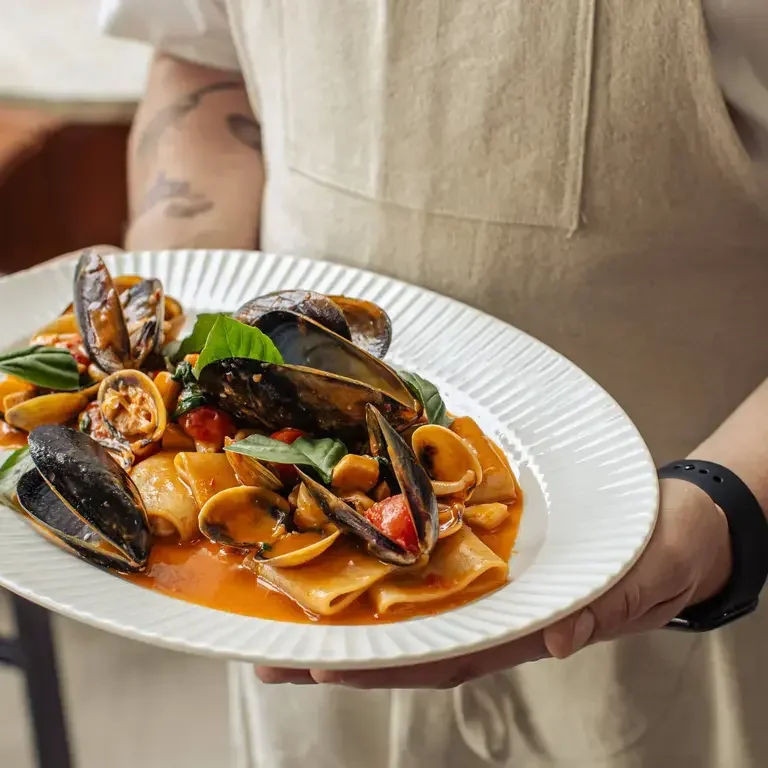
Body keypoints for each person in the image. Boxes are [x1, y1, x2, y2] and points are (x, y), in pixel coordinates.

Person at [98, 1, 768, 766]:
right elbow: (203, 60)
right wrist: (174, 372)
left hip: (686, 576)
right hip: (295, 585)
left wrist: (731, 499)